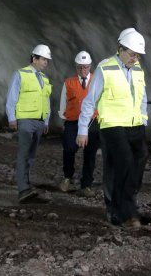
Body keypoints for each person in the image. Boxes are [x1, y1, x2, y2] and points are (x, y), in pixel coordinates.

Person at [76, 29, 148, 228]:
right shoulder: (105, 68)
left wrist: (144, 120)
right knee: (121, 162)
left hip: (134, 124)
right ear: (121, 49)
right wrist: (82, 129)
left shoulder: (138, 69)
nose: (135, 58)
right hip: (112, 125)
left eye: (138, 55)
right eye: (132, 54)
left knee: (140, 158)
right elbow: (90, 101)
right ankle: (120, 210)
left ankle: (125, 201)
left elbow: (142, 97)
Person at [6, 44, 54, 203]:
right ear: (34, 58)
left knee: (31, 156)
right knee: (23, 154)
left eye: (47, 60)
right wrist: (12, 118)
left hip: (39, 122)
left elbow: (46, 101)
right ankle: (23, 189)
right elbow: (12, 97)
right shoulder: (21, 74)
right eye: (43, 59)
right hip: (25, 120)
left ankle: (26, 185)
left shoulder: (45, 79)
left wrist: (46, 120)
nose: (46, 63)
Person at [57, 51, 99, 197]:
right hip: (72, 122)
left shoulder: (97, 80)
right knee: (68, 149)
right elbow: (63, 102)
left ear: (90, 66)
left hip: (92, 123)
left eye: (86, 67)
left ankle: (86, 185)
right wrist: (64, 116)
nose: (83, 70)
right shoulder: (68, 83)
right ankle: (67, 177)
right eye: (80, 67)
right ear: (76, 67)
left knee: (90, 154)